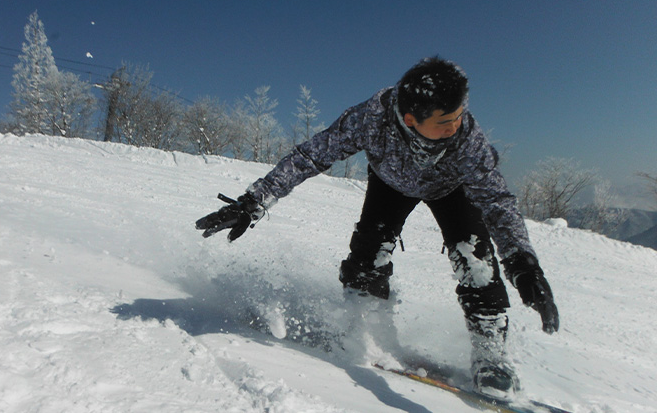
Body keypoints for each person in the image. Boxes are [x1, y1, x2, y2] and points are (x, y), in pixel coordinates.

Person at [195, 57, 559, 398]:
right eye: (445, 121)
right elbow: (311, 155)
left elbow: (496, 201)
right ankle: (365, 327)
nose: (455, 127)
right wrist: (254, 202)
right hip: (390, 183)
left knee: (475, 258)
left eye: (460, 116)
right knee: (368, 252)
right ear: (411, 118)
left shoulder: (467, 141)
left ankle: (490, 353)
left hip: (451, 189)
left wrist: (524, 264)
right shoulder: (372, 118)